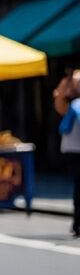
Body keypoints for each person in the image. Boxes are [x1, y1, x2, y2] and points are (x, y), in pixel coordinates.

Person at [53, 70, 80, 238]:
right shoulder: (76, 105)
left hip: (70, 149)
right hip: (75, 150)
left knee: (78, 186)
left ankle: (77, 222)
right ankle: (77, 222)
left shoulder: (73, 105)